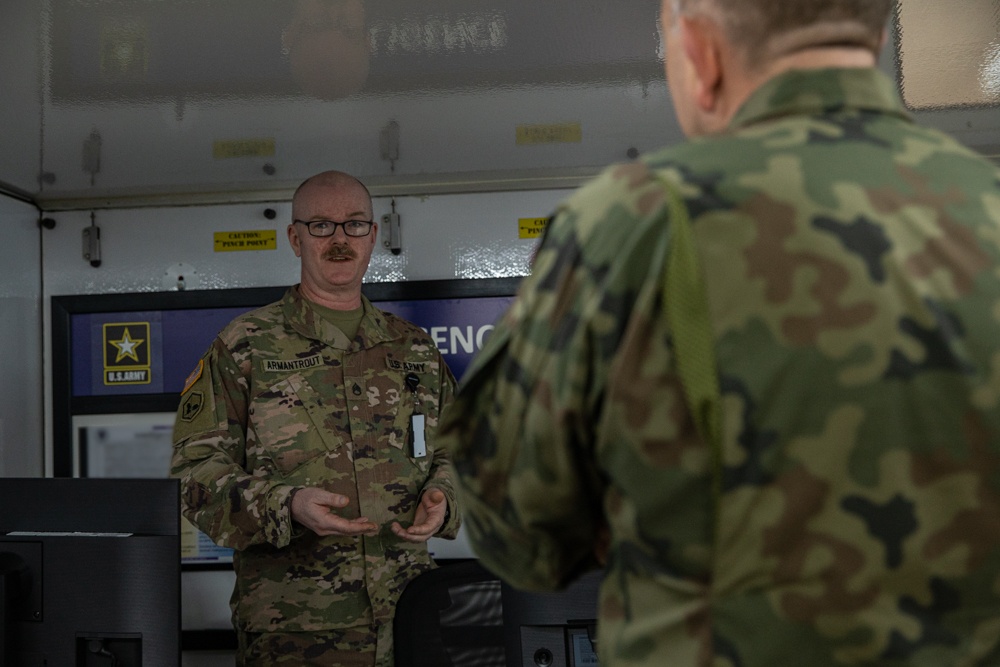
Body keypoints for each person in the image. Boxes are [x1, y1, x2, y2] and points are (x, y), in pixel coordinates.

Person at [437, 1, 1000, 665]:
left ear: (700, 53)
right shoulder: (989, 205)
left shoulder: (634, 225)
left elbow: (516, 535)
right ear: (874, 34)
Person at [171, 170, 460, 667]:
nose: (339, 239)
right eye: (321, 225)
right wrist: (287, 506)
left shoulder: (413, 348)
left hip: (409, 616)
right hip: (295, 631)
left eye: (353, 224)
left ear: (373, 235)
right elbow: (194, 474)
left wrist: (444, 495)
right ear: (294, 237)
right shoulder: (244, 345)